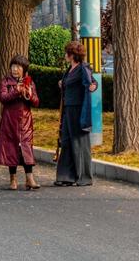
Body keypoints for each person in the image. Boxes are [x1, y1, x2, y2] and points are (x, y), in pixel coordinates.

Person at [55, 40, 97, 187]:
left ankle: (84, 177)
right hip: (68, 109)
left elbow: (91, 82)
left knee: (79, 142)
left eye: (67, 53)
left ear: (72, 55)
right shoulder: (70, 69)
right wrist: (62, 83)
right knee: (66, 140)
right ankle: (67, 176)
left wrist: (93, 87)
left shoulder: (83, 68)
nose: (65, 55)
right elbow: (69, 84)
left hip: (78, 110)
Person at [0, 54, 40, 190]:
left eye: (18, 67)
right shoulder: (6, 82)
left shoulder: (29, 82)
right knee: (11, 148)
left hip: (25, 121)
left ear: (24, 69)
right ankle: (13, 179)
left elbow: (36, 102)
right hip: (10, 120)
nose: (14, 69)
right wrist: (16, 91)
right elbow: (3, 98)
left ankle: (29, 178)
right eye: (13, 66)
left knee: (26, 148)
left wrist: (29, 94)